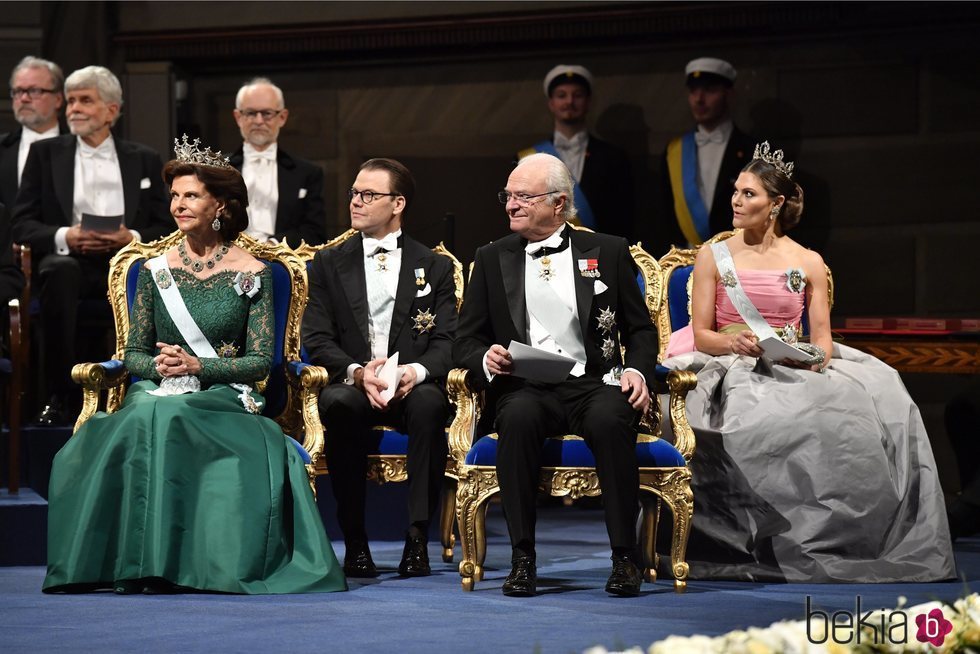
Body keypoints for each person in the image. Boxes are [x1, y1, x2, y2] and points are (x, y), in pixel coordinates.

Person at [42, 136, 346, 595]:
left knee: (171, 415)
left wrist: (198, 366)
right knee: (145, 412)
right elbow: (133, 354)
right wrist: (164, 367)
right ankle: (131, 563)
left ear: (220, 204)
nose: (178, 205)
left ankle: (171, 565)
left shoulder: (255, 272)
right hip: (160, 388)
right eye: (174, 196)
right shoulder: (152, 270)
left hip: (226, 395)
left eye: (191, 195)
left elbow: (261, 361)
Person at [661, 142, 955, 582]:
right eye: (736, 192)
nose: (736, 202)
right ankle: (743, 538)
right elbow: (702, 332)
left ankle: (839, 537)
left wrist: (810, 359)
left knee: (863, 406)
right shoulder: (712, 255)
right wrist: (734, 344)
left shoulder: (808, 261)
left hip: (791, 362)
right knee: (749, 420)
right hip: (728, 360)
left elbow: (822, 339)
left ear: (776, 204)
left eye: (749, 194)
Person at [453, 152, 658, 597]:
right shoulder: (491, 258)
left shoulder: (608, 250)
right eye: (507, 196)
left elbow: (640, 329)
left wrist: (639, 372)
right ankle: (523, 559)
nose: (510, 205)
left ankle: (625, 558)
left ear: (559, 203)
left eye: (523, 197)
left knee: (610, 420)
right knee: (519, 418)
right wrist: (484, 357)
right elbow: (464, 340)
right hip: (526, 386)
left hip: (594, 384)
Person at [302, 158, 457, 578]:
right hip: (354, 383)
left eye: (369, 194)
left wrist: (416, 372)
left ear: (398, 204)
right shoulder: (328, 264)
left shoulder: (435, 266)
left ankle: (417, 539)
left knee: (429, 404)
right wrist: (356, 372)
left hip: (411, 383)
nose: (356, 201)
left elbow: (447, 341)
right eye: (354, 192)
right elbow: (315, 339)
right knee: (337, 404)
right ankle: (354, 543)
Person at [11, 65, 172, 426]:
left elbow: (166, 225)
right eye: (70, 101)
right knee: (59, 270)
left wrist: (130, 238)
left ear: (112, 110)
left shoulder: (143, 158)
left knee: (147, 276)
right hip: (68, 264)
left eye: (86, 100)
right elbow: (21, 224)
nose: (74, 109)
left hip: (127, 263)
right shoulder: (45, 154)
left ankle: (139, 391)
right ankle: (61, 395)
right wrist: (66, 236)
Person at [517, 65, 633, 239]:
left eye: (577, 95)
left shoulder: (614, 157)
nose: (569, 101)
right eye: (561, 95)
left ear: (588, 102)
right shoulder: (528, 159)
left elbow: (625, 216)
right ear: (551, 103)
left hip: (602, 252)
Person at [659, 57, 755, 253]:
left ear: (729, 94)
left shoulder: (752, 150)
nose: (699, 99)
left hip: (739, 257)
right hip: (685, 261)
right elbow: (663, 215)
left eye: (709, 90)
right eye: (693, 91)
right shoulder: (674, 151)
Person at [229, 77, 327, 246]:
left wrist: (273, 245)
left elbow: (315, 232)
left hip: (284, 263)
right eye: (251, 113)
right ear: (238, 117)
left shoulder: (307, 173)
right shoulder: (216, 169)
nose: (259, 121)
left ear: (282, 117)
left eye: (267, 113)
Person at [1, 56, 66, 214]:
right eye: (17, 91)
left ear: (58, 99)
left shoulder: (80, 147)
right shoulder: (2, 148)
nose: (23, 99)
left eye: (34, 91)